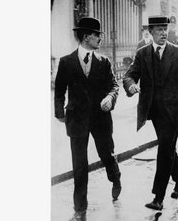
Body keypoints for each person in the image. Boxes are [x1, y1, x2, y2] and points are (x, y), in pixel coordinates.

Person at [123, 16, 178, 211]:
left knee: (164, 150)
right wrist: (131, 86)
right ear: (151, 32)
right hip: (154, 112)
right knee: (168, 147)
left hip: (174, 111)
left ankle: (158, 196)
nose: (164, 33)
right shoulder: (142, 54)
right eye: (159, 30)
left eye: (165, 29)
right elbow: (130, 75)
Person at [54, 17, 122, 216]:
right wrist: (59, 113)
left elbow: (114, 86)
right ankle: (80, 206)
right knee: (79, 164)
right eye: (97, 35)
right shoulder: (66, 62)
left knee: (106, 154)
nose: (100, 38)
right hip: (76, 119)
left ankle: (115, 176)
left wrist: (110, 98)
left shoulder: (104, 62)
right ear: (86, 37)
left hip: (101, 119)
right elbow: (59, 90)